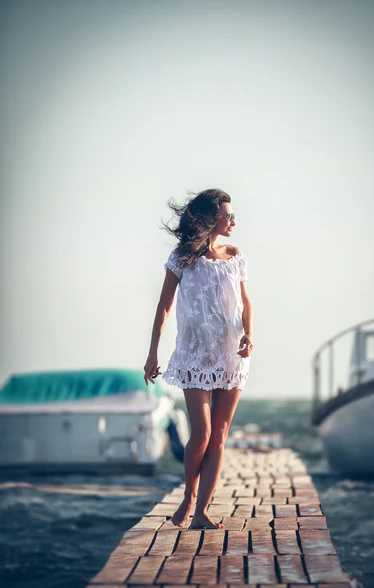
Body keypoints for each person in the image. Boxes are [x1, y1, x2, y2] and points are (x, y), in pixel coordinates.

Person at [144, 188, 253, 529]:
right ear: (210, 219)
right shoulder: (182, 258)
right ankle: (188, 499)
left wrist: (249, 334)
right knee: (202, 434)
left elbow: (246, 303)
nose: (233, 220)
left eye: (233, 215)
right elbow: (164, 307)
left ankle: (202, 512)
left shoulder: (235, 255)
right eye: (228, 215)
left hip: (232, 356)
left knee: (219, 435)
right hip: (194, 357)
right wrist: (152, 353)